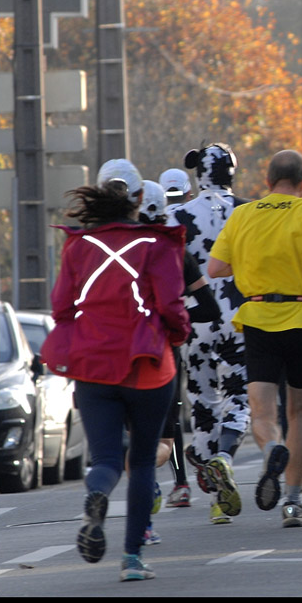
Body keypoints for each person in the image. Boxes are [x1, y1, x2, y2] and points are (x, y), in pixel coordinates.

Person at [42, 159, 191, 581]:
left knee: (106, 458)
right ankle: (131, 559)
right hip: (147, 366)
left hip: (92, 365)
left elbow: (60, 307)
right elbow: (170, 306)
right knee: (142, 462)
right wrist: (177, 336)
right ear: (140, 200)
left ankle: (97, 496)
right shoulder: (157, 243)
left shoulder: (76, 246)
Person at [208, 149, 302, 528]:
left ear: (267, 183)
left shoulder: (242, 214)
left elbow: (215, 267)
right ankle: (293, 503)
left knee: (263, 413)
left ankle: (272, 450)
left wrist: (252, 263)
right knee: (300, 412)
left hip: (257, 319)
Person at [167, 143, 251, 525]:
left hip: (196, 318)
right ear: (232, 172)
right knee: (240, 397)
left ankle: (215, 491)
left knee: (202, 402)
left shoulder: (177, 215)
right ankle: (224, 458)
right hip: (241, 318)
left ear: (197, 173)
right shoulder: (251, 211)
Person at [135, 181, 219, 543]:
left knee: (127, 441)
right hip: (164, 354)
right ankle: (155, 481)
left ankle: (132, 490)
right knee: (162, 440)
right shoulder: (176, 251)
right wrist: (179, 324)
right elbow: (211, 308)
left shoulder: (113, 249)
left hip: (118, 355)